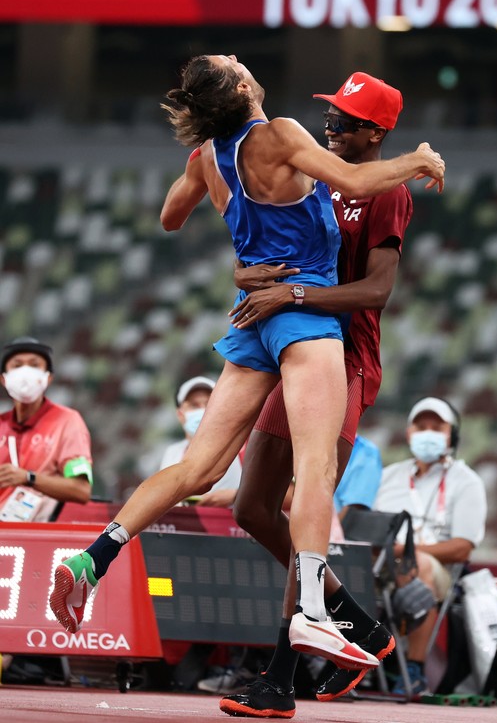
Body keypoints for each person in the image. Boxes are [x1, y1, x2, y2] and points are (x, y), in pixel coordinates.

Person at [49, 55, 445, 677]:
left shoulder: (210, 154)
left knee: (195, 470)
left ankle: (92, 558)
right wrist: (421, 159)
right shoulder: (283, 134)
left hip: (247, 319)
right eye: (231, 62)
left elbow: (168, 218)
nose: (240, 58)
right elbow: (358, 181)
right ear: (239, 87)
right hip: (302, 317)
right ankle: (313, 610)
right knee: (314, 468)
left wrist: (242, 228)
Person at [218, 72, 416, 717]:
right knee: (251, 506)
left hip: (345, 358)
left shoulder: (383, 194)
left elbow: (376, 292)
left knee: (307, 494)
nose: (331, 126)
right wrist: (253, 274)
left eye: (346, 120)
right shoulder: (316, 171)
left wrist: (295, 295)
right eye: (330, 114)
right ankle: (359, 621)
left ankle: (280, 675)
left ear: (377, 133)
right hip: (294, 348)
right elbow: (277, 245)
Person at [372, 396, 487, 696]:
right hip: (383, 564)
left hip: (438, 572)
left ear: (452, 435)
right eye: (421, 426)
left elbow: (463, 548)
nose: (428, 432)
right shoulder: (387, 477)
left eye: (437, 427)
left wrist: (408, 552)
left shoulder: (467, 482)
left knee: (419, 565)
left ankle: (413, 668)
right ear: (409, 433)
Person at [0, 336, 93, 678]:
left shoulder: (67, 423)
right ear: (3, 378)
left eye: (35, 365)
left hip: (31, 547)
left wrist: (27, 477)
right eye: (16, 364)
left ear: (48, 378)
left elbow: (81, 490)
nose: (26, 371)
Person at [160, 375, 242, 507]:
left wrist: (236, 496)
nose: (202, 410)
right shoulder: (172, 453)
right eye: (194, 405)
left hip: (230, 525)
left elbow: (280, 496)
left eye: (209, 403)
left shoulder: (240, 447)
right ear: (180, 414)